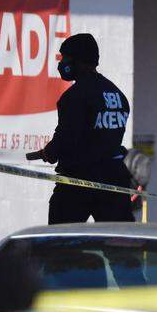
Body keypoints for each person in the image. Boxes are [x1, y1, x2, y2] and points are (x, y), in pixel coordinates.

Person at [26, 33, 135, 224]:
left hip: (78, 182)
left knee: (61, 239)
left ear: (78, 61)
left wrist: (49, 152)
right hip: (114, 181)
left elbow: (66, 138)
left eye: (65, 58)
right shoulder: (118, 95)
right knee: (119, 239)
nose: (61, 64)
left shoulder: (75, 97)